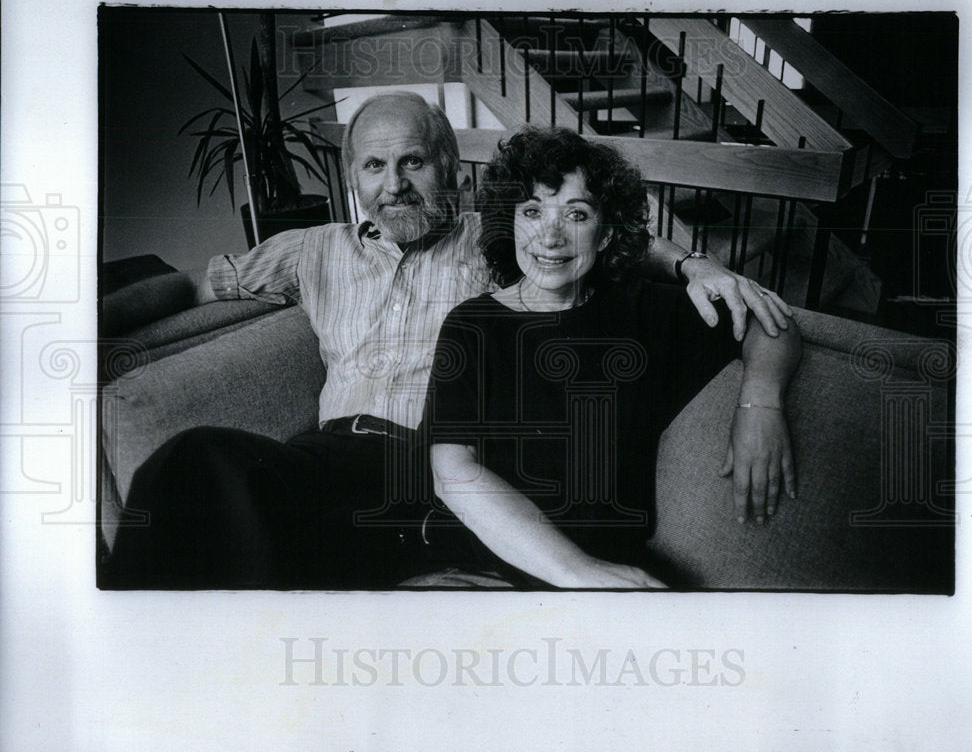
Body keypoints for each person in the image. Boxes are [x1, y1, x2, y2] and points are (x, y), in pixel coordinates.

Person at [105, 91, 793, 590]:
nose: (394, 185)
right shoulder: (311, 250)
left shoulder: (498, 236)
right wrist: (90, 319)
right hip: (328, 458)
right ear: (353, 179)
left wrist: (695, 264)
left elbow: (595, 234)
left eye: (413, 163)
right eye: (374, 167)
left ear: (450, 171)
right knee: (193, 465)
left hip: (431, 464)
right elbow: (194, 285)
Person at [424, 126, 801, 589]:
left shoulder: (642, 310)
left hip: (617, 578)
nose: (550, 236)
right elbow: (453, 472)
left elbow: (769, 320)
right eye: (532, 211)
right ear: (509, 222)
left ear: (605, 234)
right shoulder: (473, 325)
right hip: (485, 572)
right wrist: (580, 572)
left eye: (576, 214)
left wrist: (760, 404)